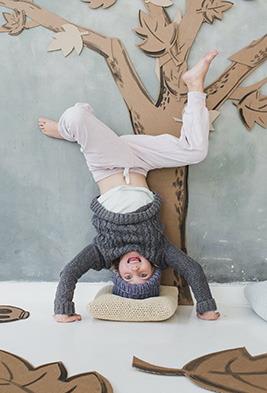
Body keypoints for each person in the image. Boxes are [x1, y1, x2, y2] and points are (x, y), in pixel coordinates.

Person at [39, 50, 220, 323]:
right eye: (143, 274)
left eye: (128, 276)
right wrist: (205, 306)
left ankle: (69, 130)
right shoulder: (160, 250)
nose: (135, 269)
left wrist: (62, 309)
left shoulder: (102, 251)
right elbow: (192, 269)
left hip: (107, 163)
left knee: (76, 115)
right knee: (195, 151)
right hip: (141, 161)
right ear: (154, 267)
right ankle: (194, 84)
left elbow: (70, 272)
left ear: (116, 273)